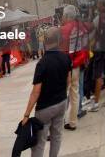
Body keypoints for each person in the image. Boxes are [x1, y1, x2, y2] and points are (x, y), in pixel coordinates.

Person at [21, 27, 71, 157]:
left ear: (44, 41)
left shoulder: (42, 63)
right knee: (57, 136)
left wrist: (26, 114)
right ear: (59, 40)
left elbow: (36, 92)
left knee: (39, 143)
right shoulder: (66, 57)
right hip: (61, 102)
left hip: (45, 108)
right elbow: (69, 80)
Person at [59, 4, 89, 130]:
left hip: (66, 68)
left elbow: (60, 51)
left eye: (63, 15)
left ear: (66, 16)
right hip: (77, 65)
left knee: (61, 96)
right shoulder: (82, 27)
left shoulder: (63, 30)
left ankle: (58, 124)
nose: (61, 17)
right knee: (75, 95)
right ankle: (72, 122)